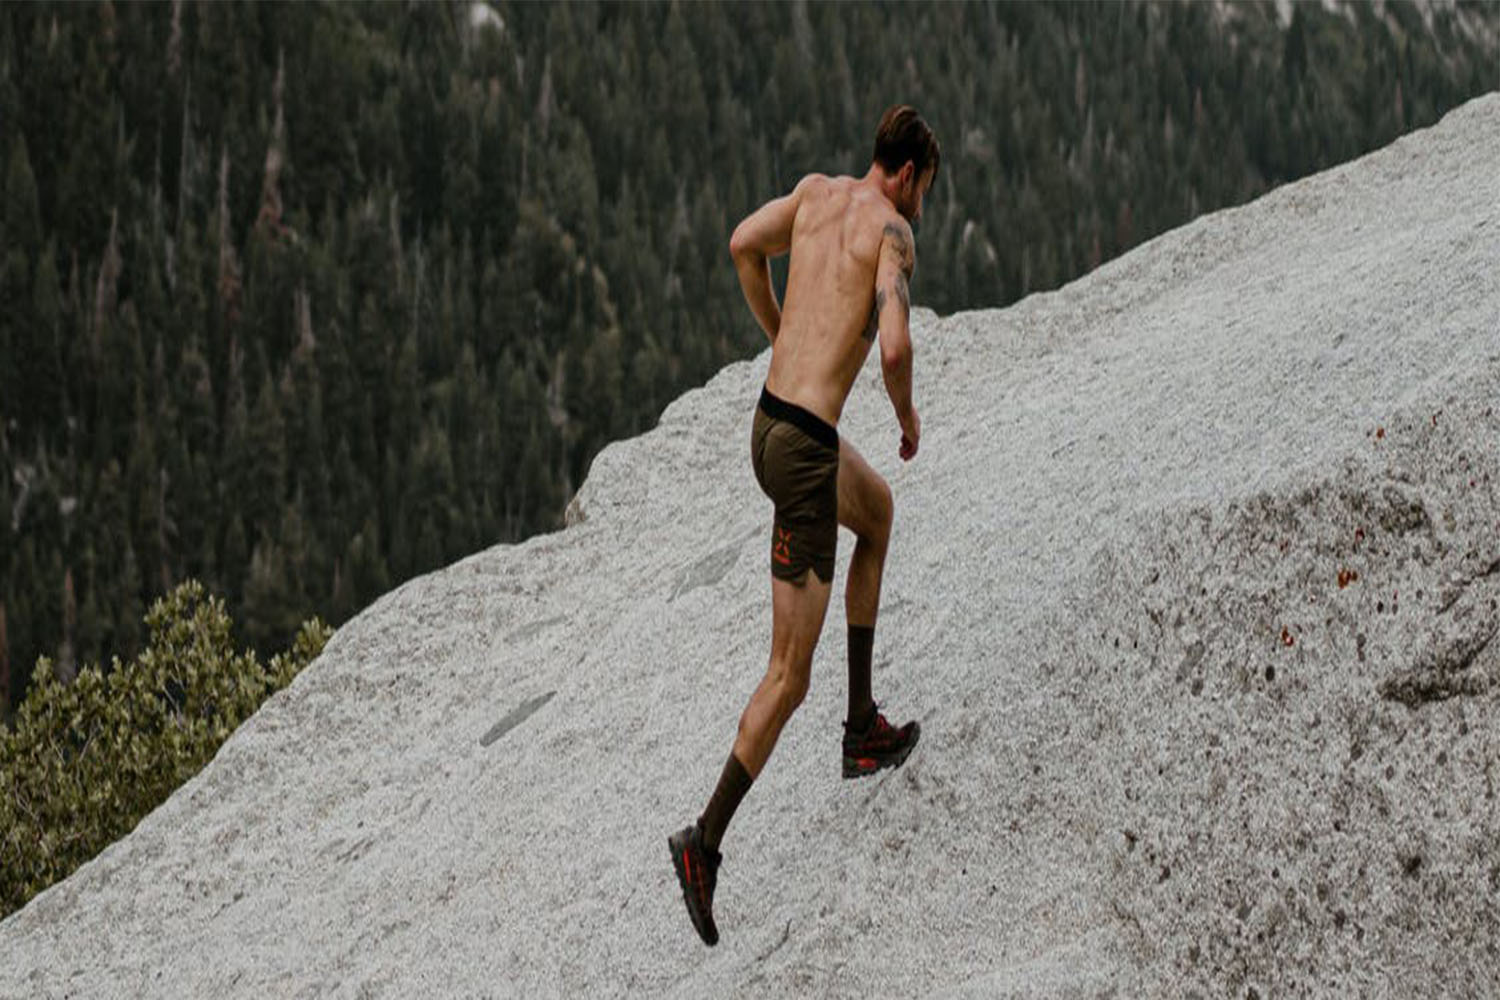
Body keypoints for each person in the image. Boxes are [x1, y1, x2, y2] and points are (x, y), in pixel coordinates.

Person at [668, 105, 940, 947]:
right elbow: (893, 349)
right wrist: (905, 416)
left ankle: (863, 728)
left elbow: (742, 245)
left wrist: (779, 329)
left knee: (880, 515)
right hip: (803, 457)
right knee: (788, 676)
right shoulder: (891, 233)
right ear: (907, 175)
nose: (921, 204)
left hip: (772, 426)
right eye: (924, 189)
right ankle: (703, 844)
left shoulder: (817, 194)